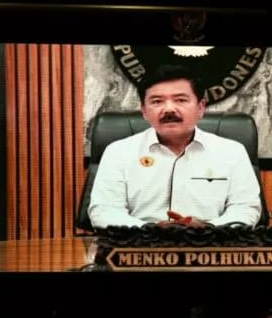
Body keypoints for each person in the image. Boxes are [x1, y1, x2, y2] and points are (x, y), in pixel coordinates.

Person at [88, 63, 262, 229]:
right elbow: (104, 210)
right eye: (157, 101)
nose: (169, 109)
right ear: (144, 111)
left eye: (180, 100)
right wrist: (149, 229)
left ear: (200, 108)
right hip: (138, 244)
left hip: (212, 244)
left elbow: (245, 208)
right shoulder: (118, 152)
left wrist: (208, 229)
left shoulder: (232, 152)